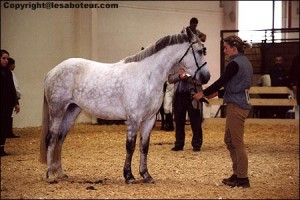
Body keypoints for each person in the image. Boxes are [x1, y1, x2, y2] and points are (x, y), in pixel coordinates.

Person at [193, 35, 253, 188]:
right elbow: (236, 84)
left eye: (225, 48)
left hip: (236, 106)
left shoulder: (233, 64)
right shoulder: (244, 62)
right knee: (229, 140)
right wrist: (218, 94)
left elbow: (222, 81)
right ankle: (237, 173)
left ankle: (243, 178)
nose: (224, 51)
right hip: (238, 102)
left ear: (233, 48)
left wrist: (204, 93)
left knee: (237, 142)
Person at [168, 62, 210, 152]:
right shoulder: (175, 65)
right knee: (178, 121)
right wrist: (179, 77)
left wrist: (188, 78)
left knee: (195, 121)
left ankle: (196, 144)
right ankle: (179, 144)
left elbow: (203, 80)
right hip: (179, 95)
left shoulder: (198, 64)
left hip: (193, 95)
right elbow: (170, 79)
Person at [0, 50, 20, 156]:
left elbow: (12, 89)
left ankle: (1, 148)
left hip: (6, 105)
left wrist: (16, 103)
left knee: (4, 127)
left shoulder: (8, 73)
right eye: (3, 58)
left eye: (7, 58)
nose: (6, 61)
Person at [7, 58, 21, 138]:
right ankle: (8, 132)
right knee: (9, 116)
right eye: (13, 64)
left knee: (11, 115)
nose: (14, 66)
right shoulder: (9, 74)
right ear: (10, 65)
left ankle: (9, 131)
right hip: (11, 98)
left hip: (13, 97)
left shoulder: (11, 73)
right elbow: (14, 87)